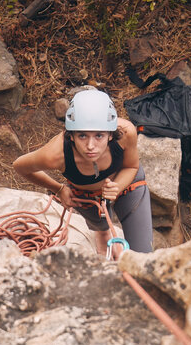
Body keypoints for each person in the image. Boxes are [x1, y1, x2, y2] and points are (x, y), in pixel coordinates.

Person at [13, 87, 154, 254]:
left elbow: (131, 166)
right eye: (82, 136)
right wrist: (59, 189)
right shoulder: (56, 155)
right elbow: (20, 166)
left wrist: (117, 187)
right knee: (99, 226)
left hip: (128, 183)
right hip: (86, 195)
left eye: (99, 136)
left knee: (143, 254)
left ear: (110, 134)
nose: (90, 146)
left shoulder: (125, 133)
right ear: (70, 135)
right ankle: (102, 232)